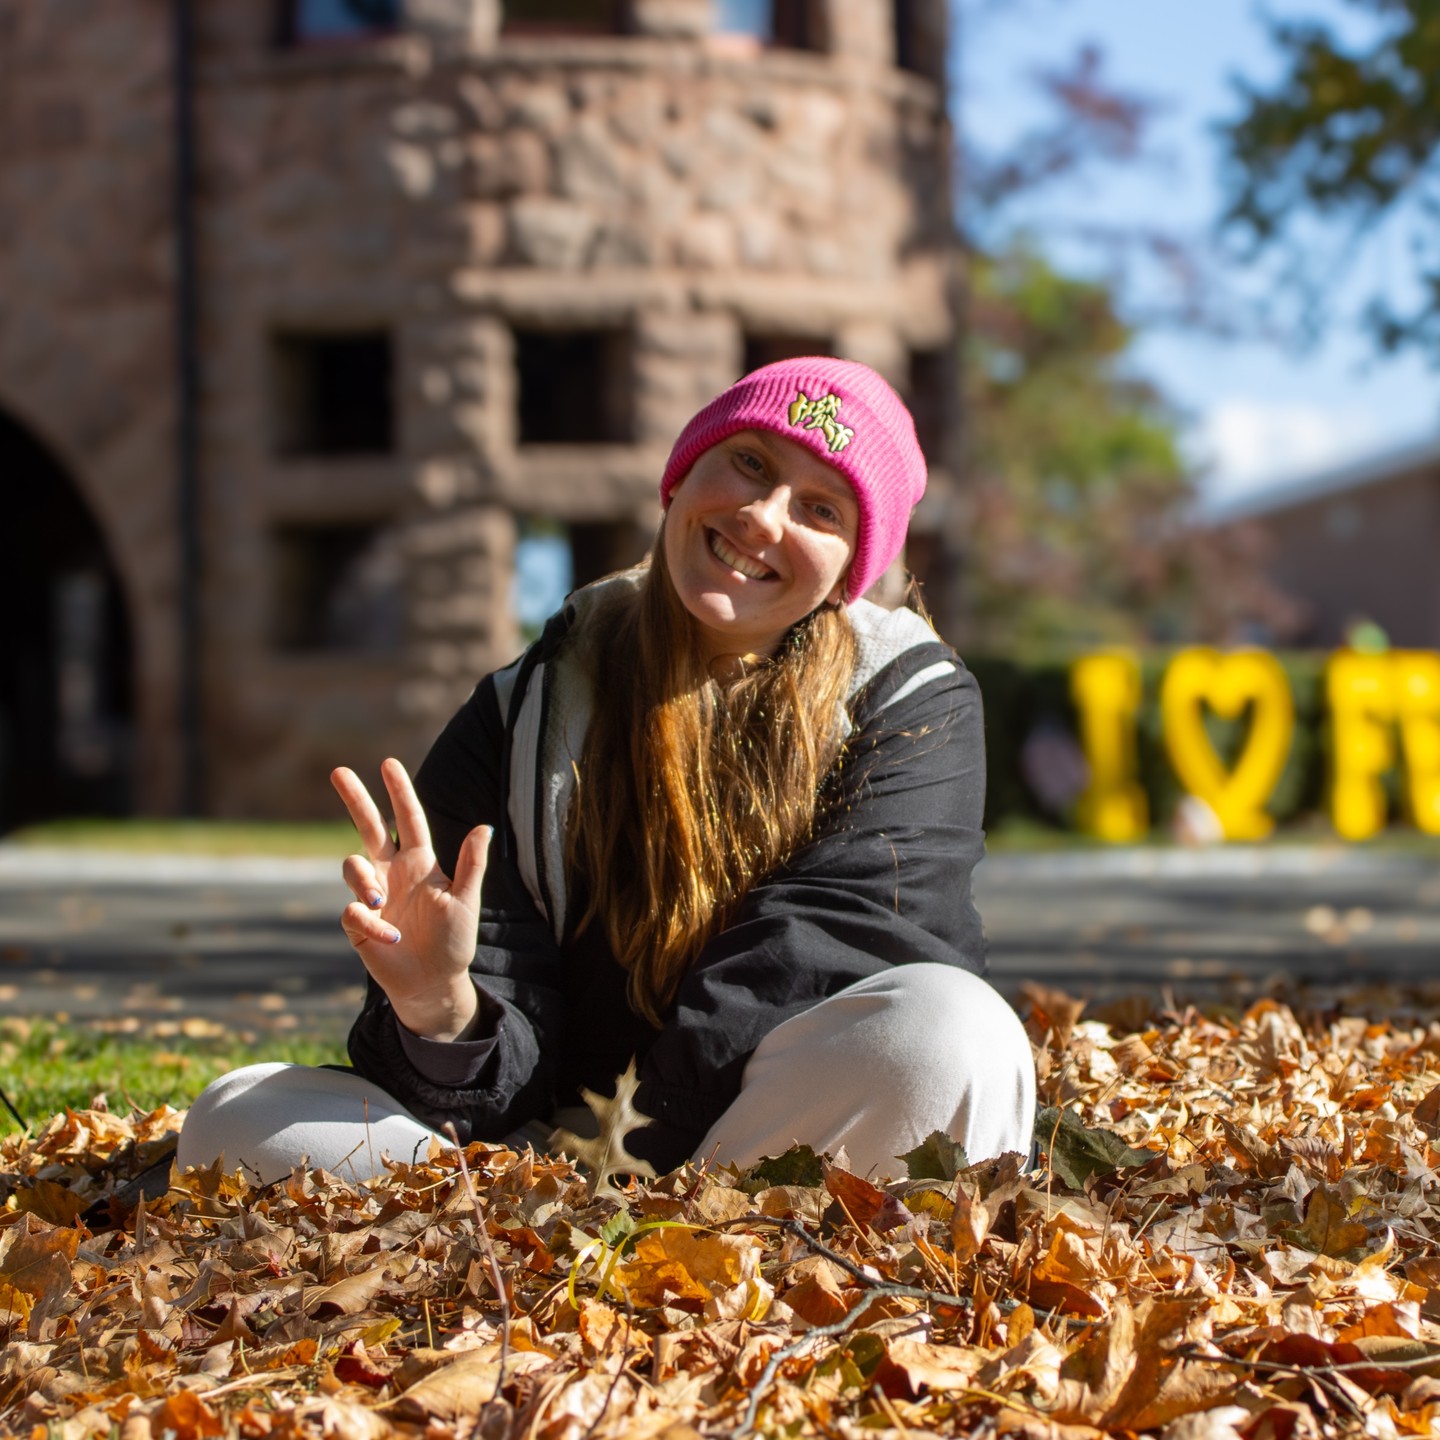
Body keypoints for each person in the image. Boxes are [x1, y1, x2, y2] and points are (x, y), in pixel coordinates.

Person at [178, 357, 1036, 1185]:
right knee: (238, 1115)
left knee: (955, 1038)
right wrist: (441, 1006)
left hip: (751, 1144)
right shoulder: (525, 706)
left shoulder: (911, 695)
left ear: (853, 567)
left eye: (820, 509)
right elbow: (486, 1068)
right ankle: (546, 1258)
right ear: (684, 470)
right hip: (547, 1160)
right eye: (749, 462)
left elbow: (826, 946)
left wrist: (631, 1158)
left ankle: (668, 1254)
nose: (764, 517)